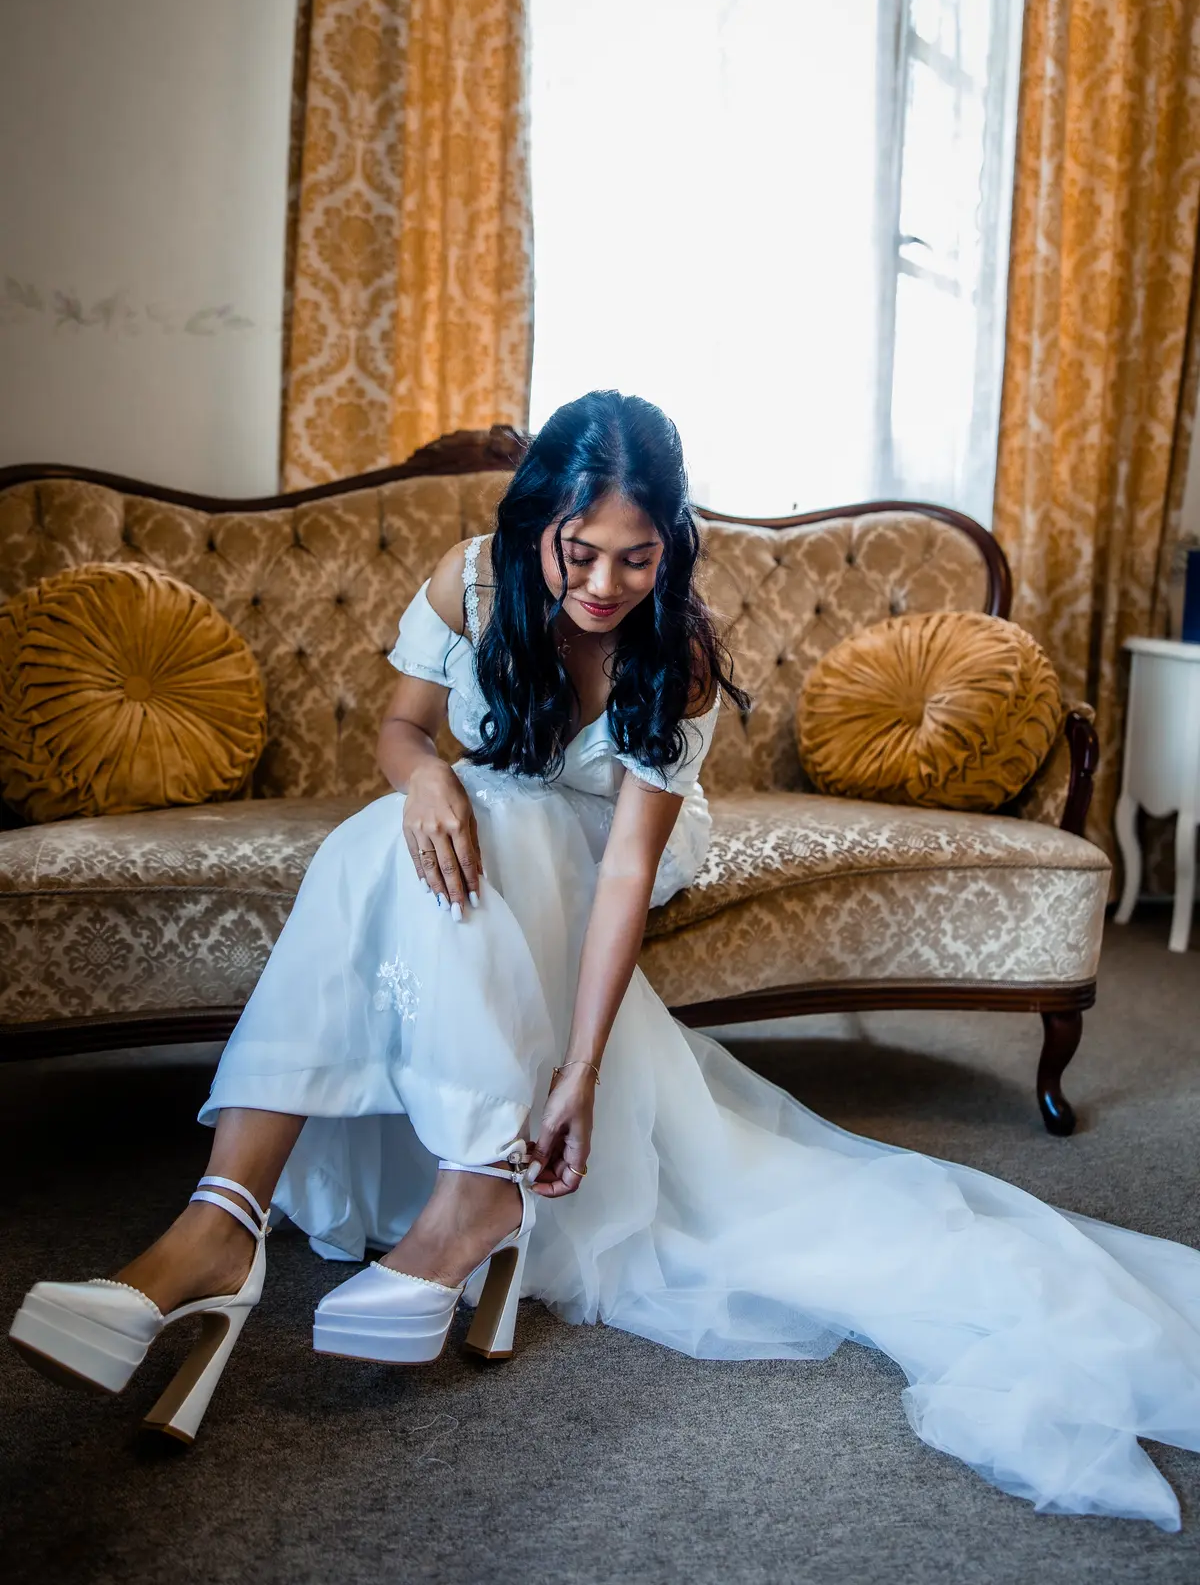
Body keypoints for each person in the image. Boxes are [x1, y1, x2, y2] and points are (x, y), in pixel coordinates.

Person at [9, 392, 1200, 1525]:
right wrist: (423, 782)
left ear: (670, 547)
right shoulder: (472, 580)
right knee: (378, 839)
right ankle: (227, 1217)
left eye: (637, 558)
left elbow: (626, 867)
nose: (601, 584)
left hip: (598, 854)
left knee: (506, 820)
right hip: (472, 832)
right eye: (577, 552)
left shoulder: (672, 655)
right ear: (537, 522)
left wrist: (577, 1074)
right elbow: (402, 727)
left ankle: (446, 1195)